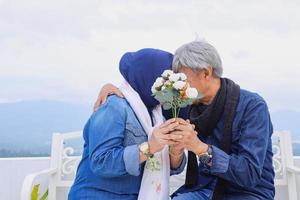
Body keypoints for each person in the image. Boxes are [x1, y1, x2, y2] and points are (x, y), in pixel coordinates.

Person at [95, 41, 275, 200]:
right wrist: (110, 89)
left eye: (183, 78)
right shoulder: (185, 104)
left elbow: (249, 174)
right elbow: (139, 93)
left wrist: (199, 147)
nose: (178, 84)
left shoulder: (252, 106)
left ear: (206, 73)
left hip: (247, 193)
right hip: (203, 189)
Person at [68, 48, 187, 200]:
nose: (169, 86)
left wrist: (175, 152)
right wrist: (149, 147)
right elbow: (101, 162)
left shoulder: (156, 114)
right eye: (166, 80)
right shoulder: (114, 106)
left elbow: (168, 168)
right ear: (149, 76)